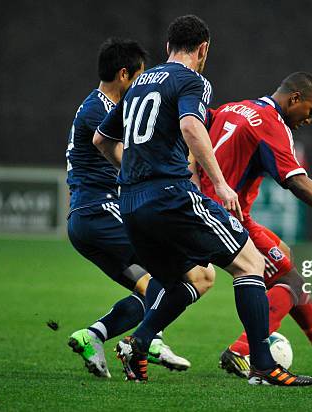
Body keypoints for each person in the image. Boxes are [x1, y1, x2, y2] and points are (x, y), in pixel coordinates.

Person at [94, 15, 312, 386]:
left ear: (167, 48)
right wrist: (221, 184)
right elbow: (191, 126)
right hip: (171, 196)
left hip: (130, 203)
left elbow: (101, 140)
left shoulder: (139, 83)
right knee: (250, 263)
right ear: (203, 49)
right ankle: (262, 363)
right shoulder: (193, 80)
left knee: (188, 279)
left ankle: (139, 343)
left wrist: (133, 173)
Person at [195, 72, 312, 377]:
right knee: (288, 282)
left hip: (202, 207)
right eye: (311, 111)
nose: (309, 120)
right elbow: (297, 181)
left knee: (283, 255)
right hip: (226, 218)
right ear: (294, 99)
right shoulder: (270, 123)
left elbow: (194, 131)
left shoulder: (233, 107)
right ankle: (242, 350)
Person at [65, 37, 213, 378]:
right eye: (138, 76)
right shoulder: (101, 111)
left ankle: (95, 335)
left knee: (151, 289)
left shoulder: (95, 105)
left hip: (86, 220)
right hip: (101, 211)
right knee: (184, 276)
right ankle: (151, 341)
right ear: (123, 74)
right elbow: (135, 159)